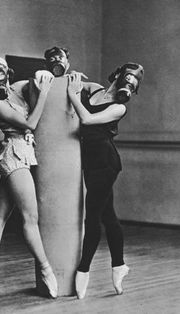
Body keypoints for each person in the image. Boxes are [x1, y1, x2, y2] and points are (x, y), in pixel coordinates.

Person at [0, 56, 58, 298]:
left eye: (0, 71)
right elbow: (31, 123)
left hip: (16, 154)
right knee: (30, 218)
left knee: (1, 215)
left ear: (6, 72)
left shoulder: (15, 89)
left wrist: (45, 77)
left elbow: (34, 82)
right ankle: (46, 269)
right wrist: (44, 93)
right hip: (15, 155)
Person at [67, 63, 144, 299]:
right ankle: (119, 266)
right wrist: (73, 77)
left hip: (105, 163)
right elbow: (76, 83)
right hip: (91, 162)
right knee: (108, 216)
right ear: (119, 74)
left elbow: (88, 120)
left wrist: (73, 96)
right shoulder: (96, 89)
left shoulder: (119, 108)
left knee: (93, 218)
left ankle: (83, 270)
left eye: (134, 84)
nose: (129, 84)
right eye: (128, 78)